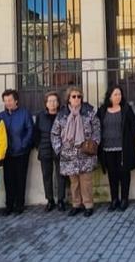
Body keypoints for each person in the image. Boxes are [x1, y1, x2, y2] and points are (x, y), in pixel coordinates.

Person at [51, 86, 100, 217]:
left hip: (86, 152)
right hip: (69, 154)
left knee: (86, 182)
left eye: (79, 96)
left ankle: (88, 205)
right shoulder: (62, 115)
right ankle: (76, 204)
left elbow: (97, 129)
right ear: (69, 98)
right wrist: (59, 149)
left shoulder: (89, 112)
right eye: (74, 96)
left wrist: (94, 143)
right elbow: (55, 133)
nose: (76, 99)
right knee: (74, 183)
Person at [96, 84, 135, 212]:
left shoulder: (126, 109)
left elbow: (134, 125)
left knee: (124, 174)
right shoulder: (102, 110)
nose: (118, 97)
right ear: (109, 96)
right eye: (115, 94)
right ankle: (114, 199)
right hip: (107, 148)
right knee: (112, 175)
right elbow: (97, 127)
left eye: (119, 94)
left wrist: (129, 141)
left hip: (123, 148)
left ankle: (124, 199)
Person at [0, 89, 36, 216]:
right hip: (7, 153)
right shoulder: (1, 116)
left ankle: (20, 204)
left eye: (10, 100)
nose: (8, 103)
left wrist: (23, 145)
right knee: (8, 180)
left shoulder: (24, 113)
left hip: (21, 152)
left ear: (16, 101)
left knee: (20, 178)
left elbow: (30, 130)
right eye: (5, 100)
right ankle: (9, 205)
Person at [33, 92, 68, 212]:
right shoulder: (40, 116)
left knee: (61, 175)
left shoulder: (63, 115)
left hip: (60, 149)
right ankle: (50, 200)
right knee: (47, 176)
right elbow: (36, 132)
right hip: (45, 148)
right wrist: (39, 146)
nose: (52, 103)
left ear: (58, 103)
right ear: (46, 104)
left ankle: (61, 200)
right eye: (49, 101)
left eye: (54, 101)